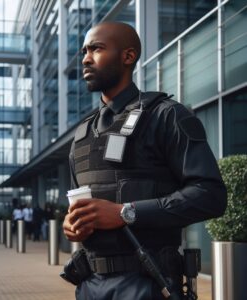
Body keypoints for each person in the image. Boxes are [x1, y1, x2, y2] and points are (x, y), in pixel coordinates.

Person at [63, 22, 227, 299]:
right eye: (84, 51)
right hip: (89, 286)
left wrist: (125, 212)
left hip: (149, 283)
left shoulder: (167, 116)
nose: (86, 58)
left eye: (96, 49)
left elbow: (210, 195)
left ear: (128, 56)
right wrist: (72, 224)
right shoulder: (82, 135)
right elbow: (79, 205)